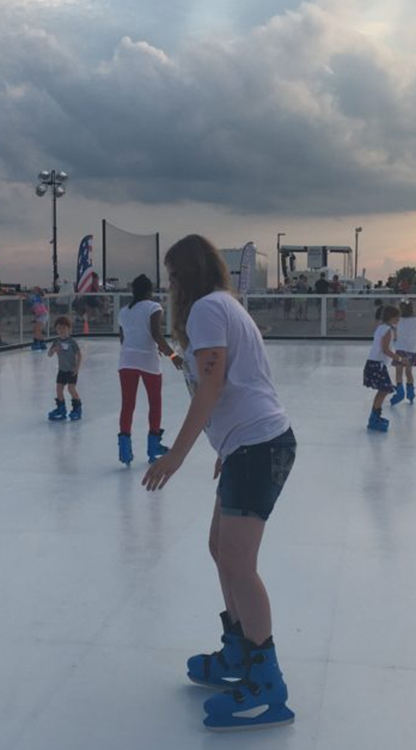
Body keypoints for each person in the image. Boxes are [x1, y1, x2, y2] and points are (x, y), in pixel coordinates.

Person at [142, 235, 296, 732]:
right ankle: (239, 651)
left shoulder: (207, 309)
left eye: (172, 277)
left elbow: (212, 384)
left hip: (258, 445)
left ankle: (266, 680)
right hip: (248, 446)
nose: (170, 286)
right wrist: (224, 449)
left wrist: (177, 454)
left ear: (187, 275)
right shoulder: (222, 304)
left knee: (238, 563)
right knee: (221, 550)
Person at [117, 274, 183, 465]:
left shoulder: (124, 311)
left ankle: (124, 450)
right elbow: (156, 334)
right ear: (149, 290)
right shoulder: (154, 307)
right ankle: (153, 446)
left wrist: (135, 348)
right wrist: (173, 355)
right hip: (148, 360)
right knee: (155, 402)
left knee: (127, 404)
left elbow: (123, 339)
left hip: (126, 360)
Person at [363, 305, 401, 431]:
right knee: (384, 389)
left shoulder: (381, 327)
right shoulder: (387, 330)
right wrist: (399, 358)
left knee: (383, 390)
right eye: (397, 317)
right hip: (377, 364)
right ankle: (374, 417)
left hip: (374, 363)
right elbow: (385, 349)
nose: (398, 319)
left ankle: (375, 416)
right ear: (391, 317)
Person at [390, 299, 416, 405]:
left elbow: (390, 326)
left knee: (399, 372)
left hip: (400, 350)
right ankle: (410, 392)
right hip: (411, 350)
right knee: (409, 372)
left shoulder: (397, 321)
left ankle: (399, 391)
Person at [47, 316, 82, 421]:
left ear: (69, 329)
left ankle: (77, 409)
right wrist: (53, 350)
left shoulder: (72, 342)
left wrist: (77, 367)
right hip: (62, 370)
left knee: (71, 388)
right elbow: (49, 354)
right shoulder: (56, 342)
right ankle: (61, 409)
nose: (61, 330)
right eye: (59, 328)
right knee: (59, 389)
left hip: (71, 370)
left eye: (63, 328)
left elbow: (79, 355)